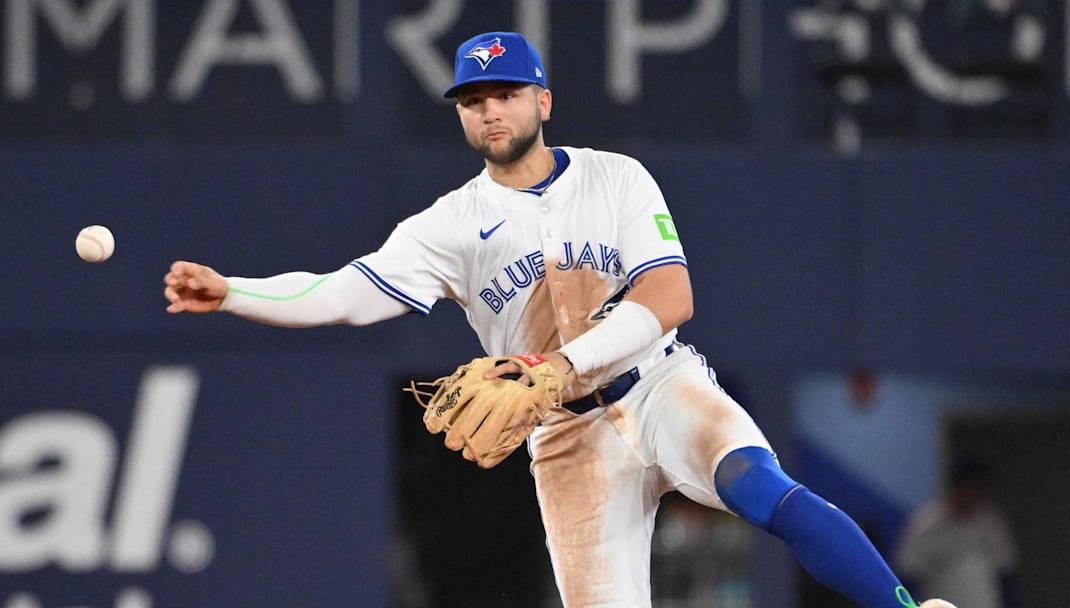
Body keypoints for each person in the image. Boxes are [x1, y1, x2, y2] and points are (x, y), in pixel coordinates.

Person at [163, 31, 955, 608]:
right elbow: (342, 294)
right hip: (566, 439)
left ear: (542, 100)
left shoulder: (617, 179)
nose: (490, 111)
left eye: (505, 94)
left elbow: (670, 298)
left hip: (659, 384)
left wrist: (563, 364)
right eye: (474, 100)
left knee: (756, 484)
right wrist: (234, 292)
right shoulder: (447, 225)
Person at [895, 455, 1019, 608]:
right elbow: (906, 575)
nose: (971, 494)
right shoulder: (927, 523)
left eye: (977, 488)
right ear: (955, 487)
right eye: (966, 487)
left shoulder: (991, 523)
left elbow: (1006, 575)